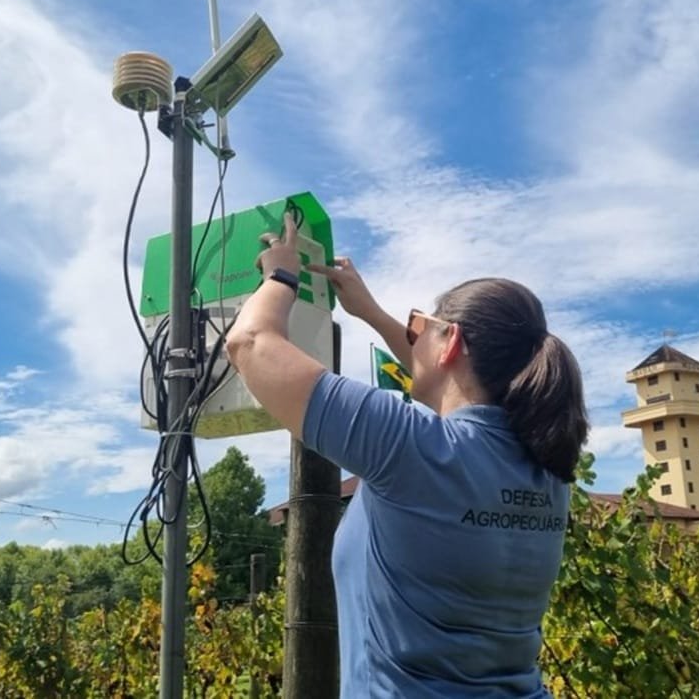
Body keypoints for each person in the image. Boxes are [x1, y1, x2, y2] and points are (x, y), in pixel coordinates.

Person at [225, 215, 589, 697]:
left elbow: (249, 343)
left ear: (452, 342)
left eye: (420, 328)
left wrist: (281, 275)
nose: (411, 336)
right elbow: (448, 386)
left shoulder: (410, 449)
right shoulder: (546, 470)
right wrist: (371, 312)